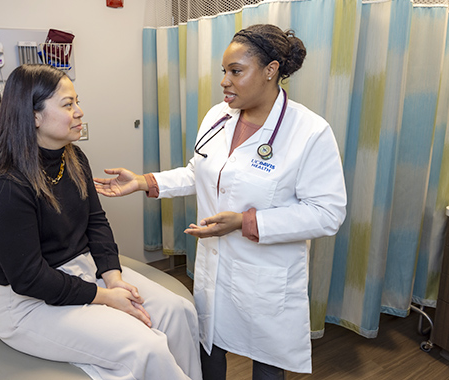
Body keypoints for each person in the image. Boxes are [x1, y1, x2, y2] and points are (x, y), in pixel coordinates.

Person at [94, 24, 347, 380]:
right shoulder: (218, 117)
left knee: (267, 366)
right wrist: (144, 182)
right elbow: (200, 171)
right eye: (223, 72)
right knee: (209, 352)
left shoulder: (310, 132)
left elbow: (327, 213)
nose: (225, 81)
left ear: (271, 70)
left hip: (266, 276)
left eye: (236, 71)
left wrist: (246, 222)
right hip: (215, 267)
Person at [0, 64, 202, 380]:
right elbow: (29, 280)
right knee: (145, 347)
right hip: (29, 305)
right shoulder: (4, 187)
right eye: (68, 104)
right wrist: (105, 297)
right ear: (34, 116)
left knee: (178, 311)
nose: (80, 112)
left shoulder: (72, 157)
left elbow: (96, 223)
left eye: (77, 101)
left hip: (86, 272)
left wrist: (113, 278)